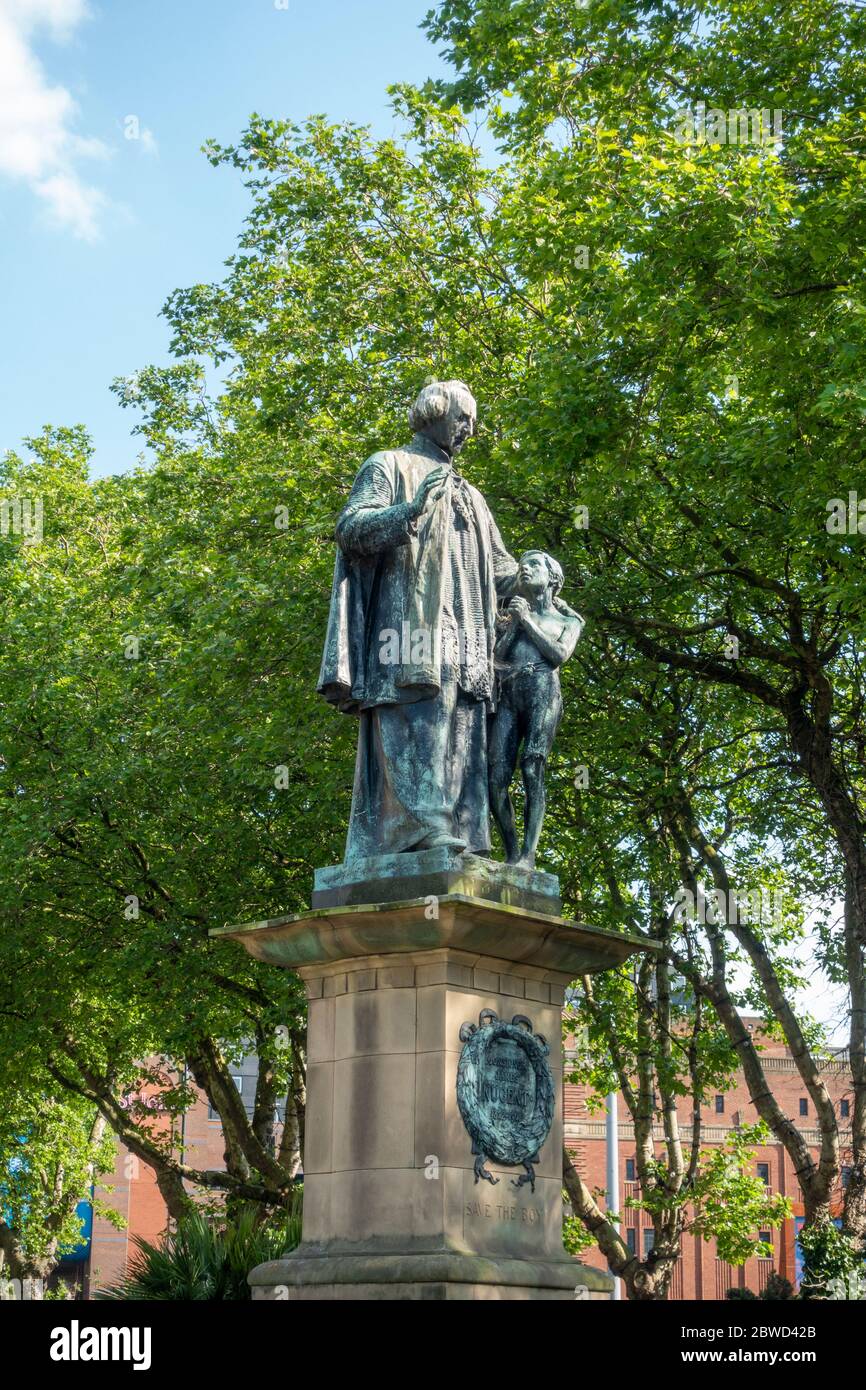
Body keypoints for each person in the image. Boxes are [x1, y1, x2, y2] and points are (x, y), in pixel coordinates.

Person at [317, 380, 518, 861]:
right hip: (408, 627)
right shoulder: (390, 464)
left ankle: (463, 832)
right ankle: (418, 828)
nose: (469, 428)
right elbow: (350, 529)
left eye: (472, 421)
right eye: (462, 417)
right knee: (420, 714)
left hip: (470, 637)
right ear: (432, 412)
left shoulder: (472, 495)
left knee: (463, 723)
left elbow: (502, 566)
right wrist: (410, 510)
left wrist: (537, 577)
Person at [488, 550, 583, 869]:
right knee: (496, 775)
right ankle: (512, 852)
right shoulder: (510, 617)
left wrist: (526, 620)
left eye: (533, 565)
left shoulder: (567, 621)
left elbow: (558, 655)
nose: (524, 570)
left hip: (542, 690)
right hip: (508, 694)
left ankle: (529, 855)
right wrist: (514, 624)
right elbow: (497, 657)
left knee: (532, 767)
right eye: (522, 565)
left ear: (553, 578)